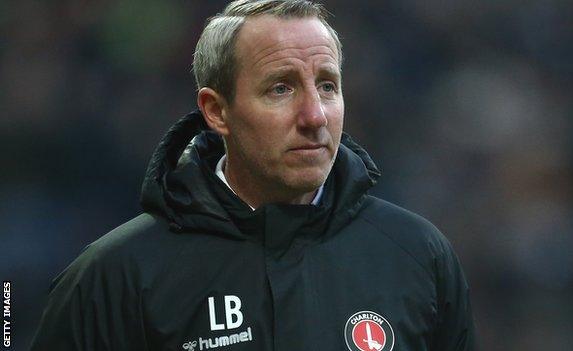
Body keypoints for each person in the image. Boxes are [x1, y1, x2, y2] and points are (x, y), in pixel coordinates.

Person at [30, 1, 476, 350]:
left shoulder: (418, 255)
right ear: (217, 111)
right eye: (281, 87)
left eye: (327, 85)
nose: (314, 116)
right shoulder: (114, 277)